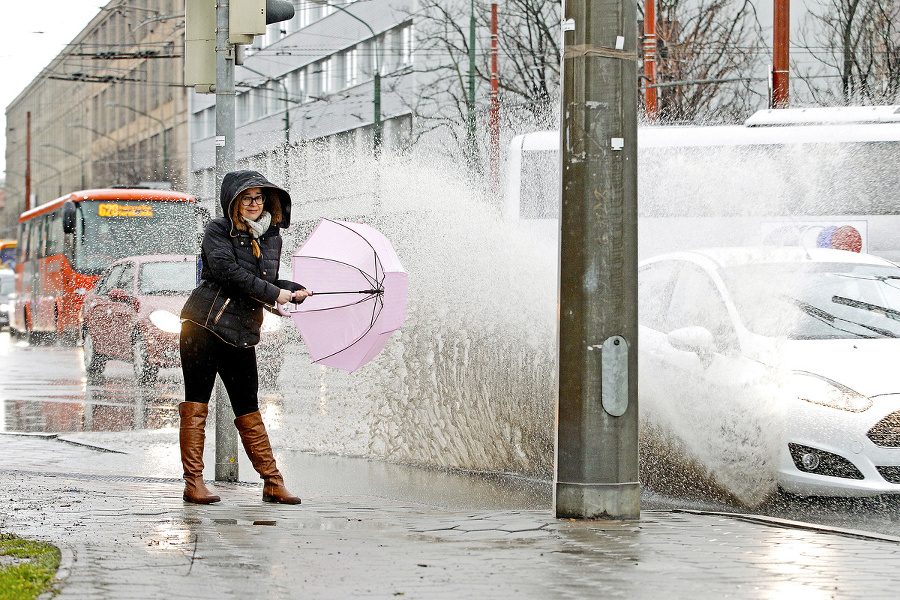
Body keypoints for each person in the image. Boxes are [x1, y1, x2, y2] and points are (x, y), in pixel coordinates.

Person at [178, 170, 310, 505]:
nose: (254, 203)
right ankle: (194, 482)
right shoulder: (217, 230)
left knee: (248, 407)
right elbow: (230, 274)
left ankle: (272, 481)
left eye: (260, 197)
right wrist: (277, 294)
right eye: (247, 198)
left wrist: (293, 290)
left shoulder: (271, 237)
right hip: (204, 326)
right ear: (234, 202)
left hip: (241, 332)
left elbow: (265, 280)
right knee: (196, 404)